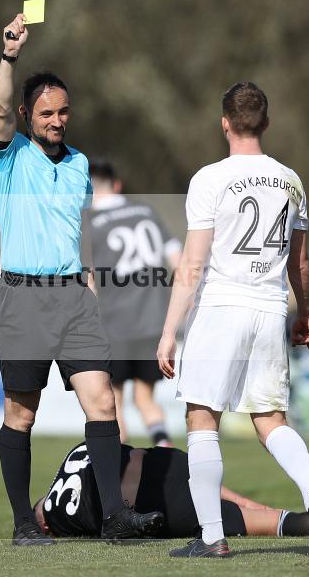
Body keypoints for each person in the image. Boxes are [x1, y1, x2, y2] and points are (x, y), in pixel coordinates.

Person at [0, 13, 163, 545]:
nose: (57, 120)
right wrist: (9, 56)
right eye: (46, 113)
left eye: (63, 112)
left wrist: (88, 276)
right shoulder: (8, 155)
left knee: (103, 402)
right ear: (25, 115)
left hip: (74, 299)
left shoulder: (81, 163)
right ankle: (22, 524)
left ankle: (114, 518)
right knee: (22, 412)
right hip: (22, 299)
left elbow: (77, 228)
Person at [158, 81, 309, 559]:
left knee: (202, 418)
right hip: (269, 308)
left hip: (221, 307)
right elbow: (300, 263)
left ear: (224, 123)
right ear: (267, 123)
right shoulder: (291, 180)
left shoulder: (209, 179)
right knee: (271, 421)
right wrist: (306, 314)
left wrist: (169, 331)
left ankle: (212, 537)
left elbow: (193, 265)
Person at [35, 441, 309, 540]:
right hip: (169, 461)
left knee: (268, 523)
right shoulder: (75, 455)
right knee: (245, 502)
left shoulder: (59, 519)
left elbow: (44, 516)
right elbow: (130, 455)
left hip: (152, 503)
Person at [89, 158, 181, 446]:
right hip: (155, 323)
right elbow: (178, 260)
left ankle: (121, 473)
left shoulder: (89, 223)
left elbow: (88, 278)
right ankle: (164, 450)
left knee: (112, 401)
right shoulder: (146, 211)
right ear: (117, 185)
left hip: (114, 324)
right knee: (145, 397)